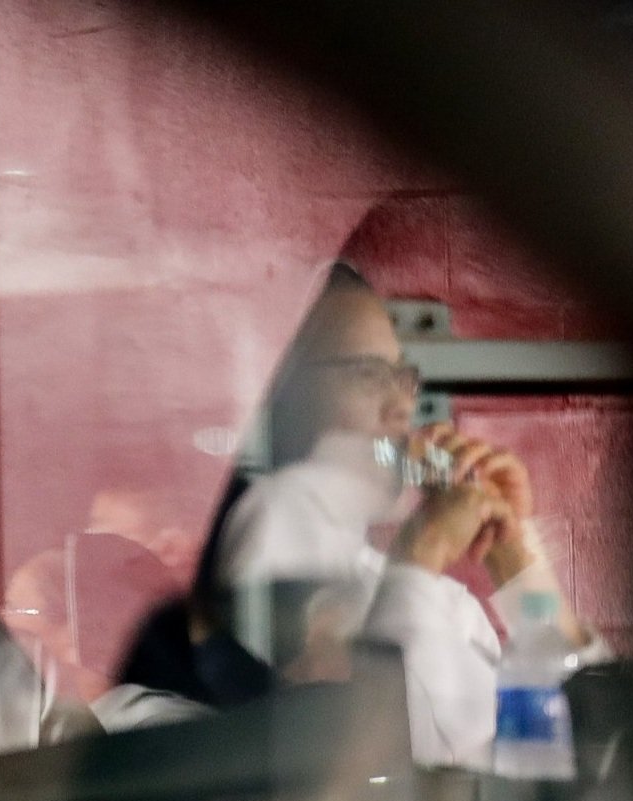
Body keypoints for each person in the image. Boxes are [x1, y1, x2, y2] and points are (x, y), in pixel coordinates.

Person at [203, 264, 605, 767]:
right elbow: (383, 737)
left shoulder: (425, 594)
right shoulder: (277, 515)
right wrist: (426, 545)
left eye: (401, 377)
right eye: (368, 376)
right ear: (276, 390)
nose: (401, 409)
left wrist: (516, 562)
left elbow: (579, 731)